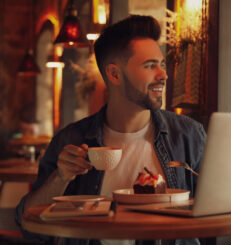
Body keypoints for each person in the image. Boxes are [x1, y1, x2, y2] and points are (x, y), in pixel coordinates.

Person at [16, 15, 206, 245]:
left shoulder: (189, 135)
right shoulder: (71, 139)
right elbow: (29, 225)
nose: (163, 75)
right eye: (150, 66)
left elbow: (212, 216)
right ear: (115, 74)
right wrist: (61, 177)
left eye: (162, 64)